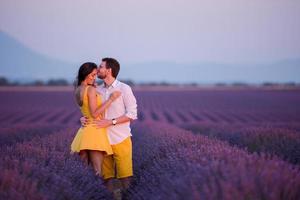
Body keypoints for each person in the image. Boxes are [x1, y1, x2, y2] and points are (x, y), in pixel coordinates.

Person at [81, 58, 137, 194]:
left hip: (121, 138)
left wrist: (110, 122)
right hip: (102, 140)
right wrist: (83, 117)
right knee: (106, 178)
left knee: (125, 177)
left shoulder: (124, 88)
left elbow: (132, 114)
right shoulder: (97, 90)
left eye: (101, 67)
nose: (97, 70)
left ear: (109, 70)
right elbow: (92, 111)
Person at [71, 62, 121, 178]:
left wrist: (82, 117)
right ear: (86, 74)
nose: (95, 78)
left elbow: (86, 111)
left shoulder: (78, 89)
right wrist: (111, 99)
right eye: (93, 75)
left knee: (82, 173)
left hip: (83, 132)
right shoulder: (91, 90)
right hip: (95, 131)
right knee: (98, 172)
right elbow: (94, 114)